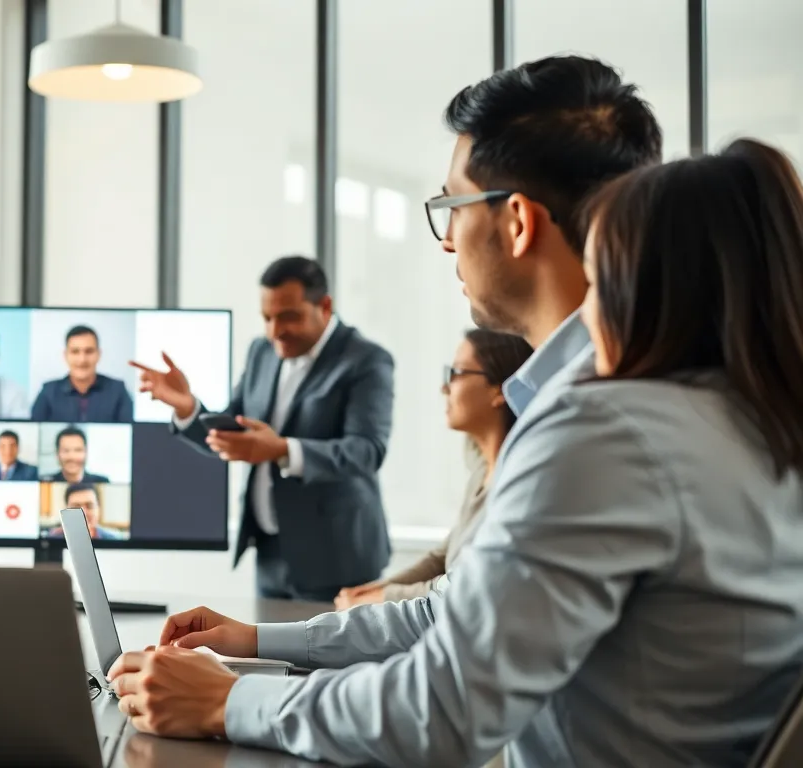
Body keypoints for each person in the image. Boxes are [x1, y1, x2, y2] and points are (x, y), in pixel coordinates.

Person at [106, 136, 803, 768]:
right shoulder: (754, 426)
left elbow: (441, 711)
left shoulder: (616, 431)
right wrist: (256, 644)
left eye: (601, 275)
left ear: (649, 286)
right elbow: (459, 610)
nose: (590, 311)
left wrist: (227, 703)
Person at [134, 256, 394, 601]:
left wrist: (282, 449)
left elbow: (366, 450)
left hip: (337, 560)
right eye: (267, 318)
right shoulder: (262, 351)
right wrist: (187, 407)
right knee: (268, 655)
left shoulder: (366, 359)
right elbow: (234, 433)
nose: (275, 331)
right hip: (270, 553)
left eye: (289, 317)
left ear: (325, 306)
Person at [335, 329, 532, 610]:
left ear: (500, 389)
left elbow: (459, 583)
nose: (444, 387)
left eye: (456, 373)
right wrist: (373, 591)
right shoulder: (480, 469)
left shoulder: (517, 484)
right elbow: (442, 557)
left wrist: (378, 599)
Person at [31, 325, 133, 423]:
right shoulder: (48, 392)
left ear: (98, 354)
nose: (82, 360)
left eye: (89, 351)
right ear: (65, 355)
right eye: (75, 352)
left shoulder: (117, 390)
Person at [44, 482, 125, 540]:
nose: (83, 513)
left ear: (98, 509)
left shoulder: (114, 539)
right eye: (76, 507)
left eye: (89, 506)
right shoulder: (51, 539)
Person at [40, 425, 110, 483]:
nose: (71, 457)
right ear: (57, 454)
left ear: (86, 453)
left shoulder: (102, 481)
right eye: (66, 450)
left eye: (77, 450)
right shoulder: (45, 481)